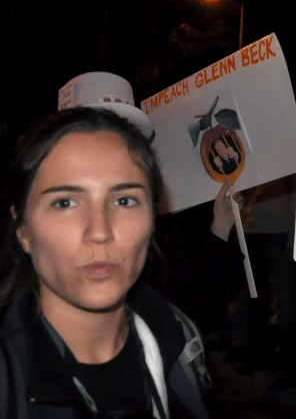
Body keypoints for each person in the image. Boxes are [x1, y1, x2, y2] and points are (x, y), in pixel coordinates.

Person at [0, 107, 214, 418]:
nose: (99, 232)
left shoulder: (179, 340)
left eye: (124, 200)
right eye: (65, 202)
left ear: (154, 217)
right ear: (22, 230)